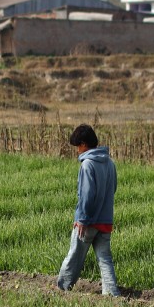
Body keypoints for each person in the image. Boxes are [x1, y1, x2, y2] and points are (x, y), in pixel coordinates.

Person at [56, 124, 119, 296]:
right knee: (105, 259)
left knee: (74, 257)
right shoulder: (110, 163)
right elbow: (112, 189)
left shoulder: (87, 165)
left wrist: (82, 219)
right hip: (106, 221)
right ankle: (113, 295)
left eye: (78, 146)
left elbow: (86, 195)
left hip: (88, 222)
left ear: (84, 144)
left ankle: (61, 289)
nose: (77, 150)